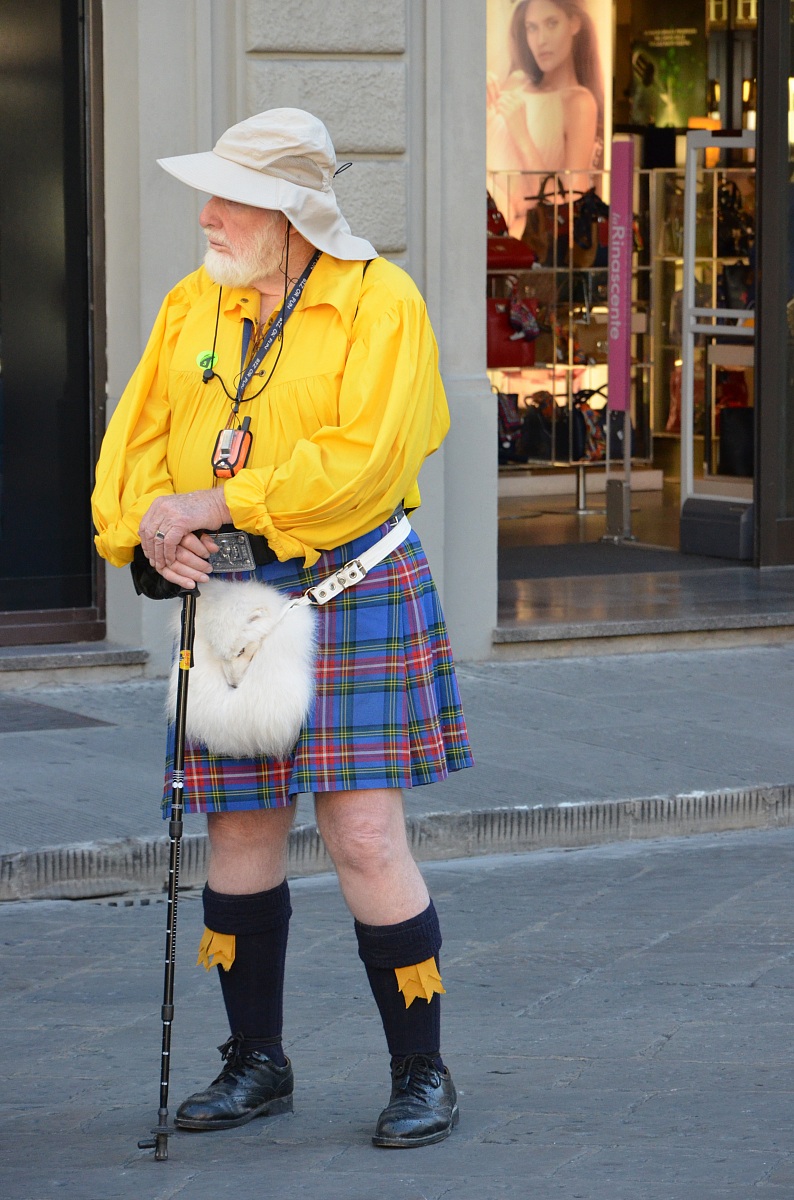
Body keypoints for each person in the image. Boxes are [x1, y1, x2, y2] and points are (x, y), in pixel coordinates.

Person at [91, 108, 474, 1149]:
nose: (207, 216)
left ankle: (421, 1071)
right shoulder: (195, 304)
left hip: (352, 585)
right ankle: (255, 1061)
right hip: (232, 596)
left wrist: (216, 504)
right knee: (241, 829)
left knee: (363, 834)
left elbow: (362, 463)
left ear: (290, 213)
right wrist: (148, 533)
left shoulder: (379, 302)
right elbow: (140, 438)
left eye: (229, 199)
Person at [487, 0, 605, 236]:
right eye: (532, 28)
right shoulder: (516, 81)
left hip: (503, 228)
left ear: (574, 23)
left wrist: (522, 137)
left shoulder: (578, 103)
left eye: (551, 23)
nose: (540, 40)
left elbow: (570, 204)